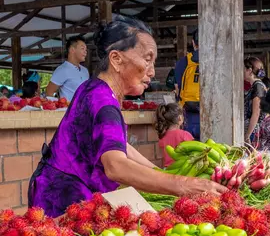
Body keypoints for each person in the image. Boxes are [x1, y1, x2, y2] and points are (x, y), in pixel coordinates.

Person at [28, 17, 226, 218]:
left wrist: (162, 174)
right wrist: (183, 185)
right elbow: (116, 166)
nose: (152, 71)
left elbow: (118, 145)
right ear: (116, 60)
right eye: (147, 59)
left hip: (61, 193)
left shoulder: (93, 88)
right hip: (62, 201)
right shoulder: (103, 102)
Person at [46, 36, 89, 101]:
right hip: (70, 110)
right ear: (72, 50)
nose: (85, 52)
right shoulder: (62, 70)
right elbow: (49, 92)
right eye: (82, 48)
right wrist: (59, 108)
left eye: (86, 49)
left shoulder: (85, 71)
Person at [175, 29, 200, 140]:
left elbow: (177, 88)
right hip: (210, 115)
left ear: (193, 42)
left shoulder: (182, 62)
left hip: (187, 116)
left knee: (188, 153)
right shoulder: (217, 62)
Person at [155, 103, 193, 167]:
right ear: (180, 118)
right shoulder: (185, 135)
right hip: (183, 170)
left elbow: (162, 157)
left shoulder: (162, 137)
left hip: (168, 170)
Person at [244, 56, 267, 145]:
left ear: (249, 70)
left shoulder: (258, 87)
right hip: (253, 128)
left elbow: (256, 113)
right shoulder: (256, 86)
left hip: (254, 130)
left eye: (243, 69)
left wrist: (247, 135)